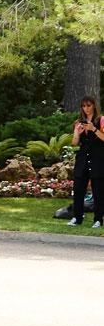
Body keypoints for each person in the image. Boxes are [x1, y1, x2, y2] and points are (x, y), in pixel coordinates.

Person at [69, 96, 102, 228]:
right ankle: (77, 217)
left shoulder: (101, 120)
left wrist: (93, 129)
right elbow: (74, 143)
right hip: (82, 160)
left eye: (88, 105)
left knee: (98, 191)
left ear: (94, 105)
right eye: (83, 106)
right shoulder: (78, 122)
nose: (86, 108)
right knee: (78, 190)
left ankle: (98, 219)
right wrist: (77, 132)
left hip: (98, 160)